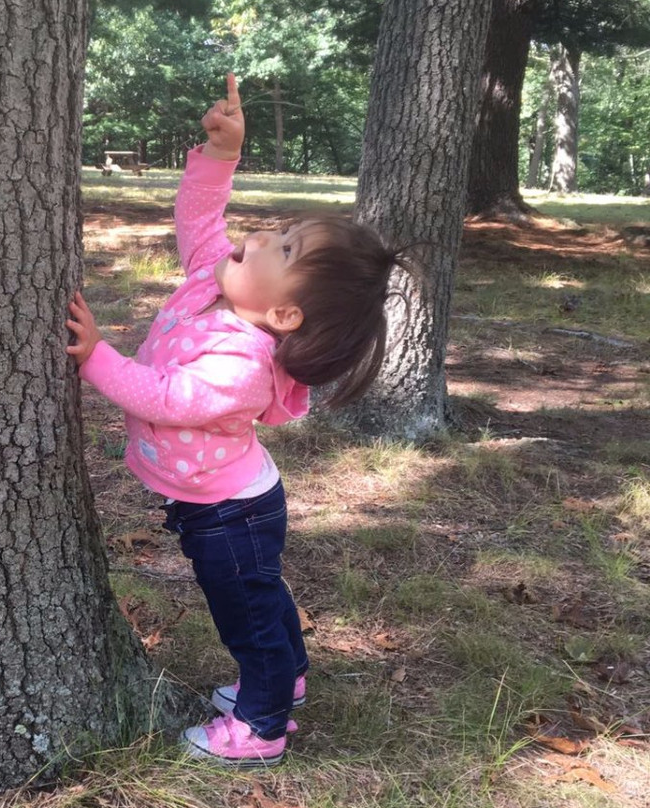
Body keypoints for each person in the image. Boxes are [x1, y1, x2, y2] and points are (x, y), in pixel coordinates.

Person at [65, 73, 408, 767]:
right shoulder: (211, 283)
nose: (257, 235)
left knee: (247, 613)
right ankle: (290, 674)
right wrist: (222, 155)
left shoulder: (243, 364)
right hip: (220, 503)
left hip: (229, 512)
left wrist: (96, 356)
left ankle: (262, 724)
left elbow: (164, 397)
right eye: (280, 230)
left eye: (281, 248)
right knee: (263, 596)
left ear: (284, 315)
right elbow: (198, 220)